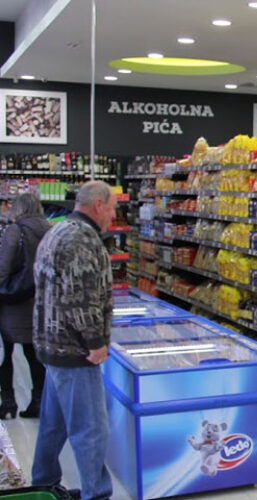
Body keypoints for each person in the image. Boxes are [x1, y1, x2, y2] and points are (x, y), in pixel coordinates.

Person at [31, 181, 116, 500]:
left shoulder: (59, 230)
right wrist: (95, 342)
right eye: (112, 208)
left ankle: (44, 483)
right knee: (91, 429)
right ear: (98, 205)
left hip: (52, 345)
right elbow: (79, 299)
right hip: (74, 350)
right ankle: (97, 494)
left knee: (53, 425)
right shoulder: (81, 239)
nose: (113, 215)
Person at [0, 193, 50, 419]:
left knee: (5, 353)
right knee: (33, 354)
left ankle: (8, 403)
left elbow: (3, 267)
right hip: (38, 302)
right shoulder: (50, 230)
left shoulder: (15, 231)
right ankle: (38, 401)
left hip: (12, 303)